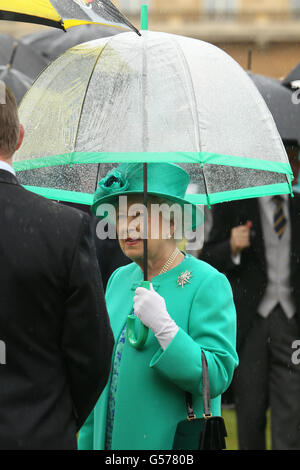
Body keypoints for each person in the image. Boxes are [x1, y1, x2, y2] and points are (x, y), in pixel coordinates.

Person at [78, 162, 238, 450]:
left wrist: (166, 330)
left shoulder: (207, 283)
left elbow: (216, 377)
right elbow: (100, 384)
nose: (127, 227)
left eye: (139, 215)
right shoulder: (118, 279)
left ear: (173, 222)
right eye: (120, 216)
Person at [0, 85, 114, 450]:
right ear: (19, 137)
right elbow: (93, 353)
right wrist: (57, 417)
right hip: (39, 433)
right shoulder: (64, 228)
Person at [200, 141, 300, 450]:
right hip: (251, 324)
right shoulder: (236, 202)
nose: (291, 165)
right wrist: (231, 246)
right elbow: (208, 259)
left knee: (292, 413)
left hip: (292, 323)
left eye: (295, 158)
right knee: (250, 412)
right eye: (286, 157)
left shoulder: (296, 206)